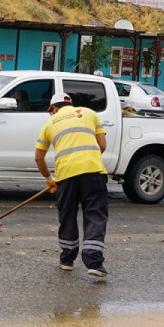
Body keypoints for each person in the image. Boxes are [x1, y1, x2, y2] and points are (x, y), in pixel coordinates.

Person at [34, 95, 110, 278]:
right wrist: (87, 158)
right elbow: (102, 145)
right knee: (95, 214)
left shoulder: (50, 123)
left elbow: (38, 158)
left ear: (54, 109)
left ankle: (67, 260)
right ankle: (94, 262)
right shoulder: (90, 113)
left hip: (66, 174)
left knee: (67, 215)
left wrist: (49, 179)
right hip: (93, 170)